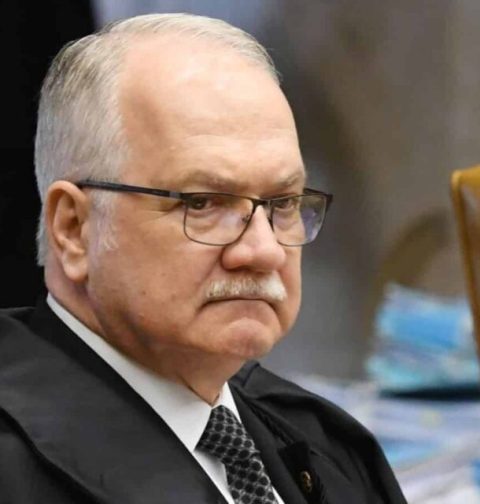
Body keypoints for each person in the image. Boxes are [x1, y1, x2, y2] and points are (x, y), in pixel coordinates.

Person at [0, 13, 406, 504]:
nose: (263, 250)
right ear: (74, 229)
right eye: (203, 203)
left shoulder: (326, 442)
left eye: (283, 204)